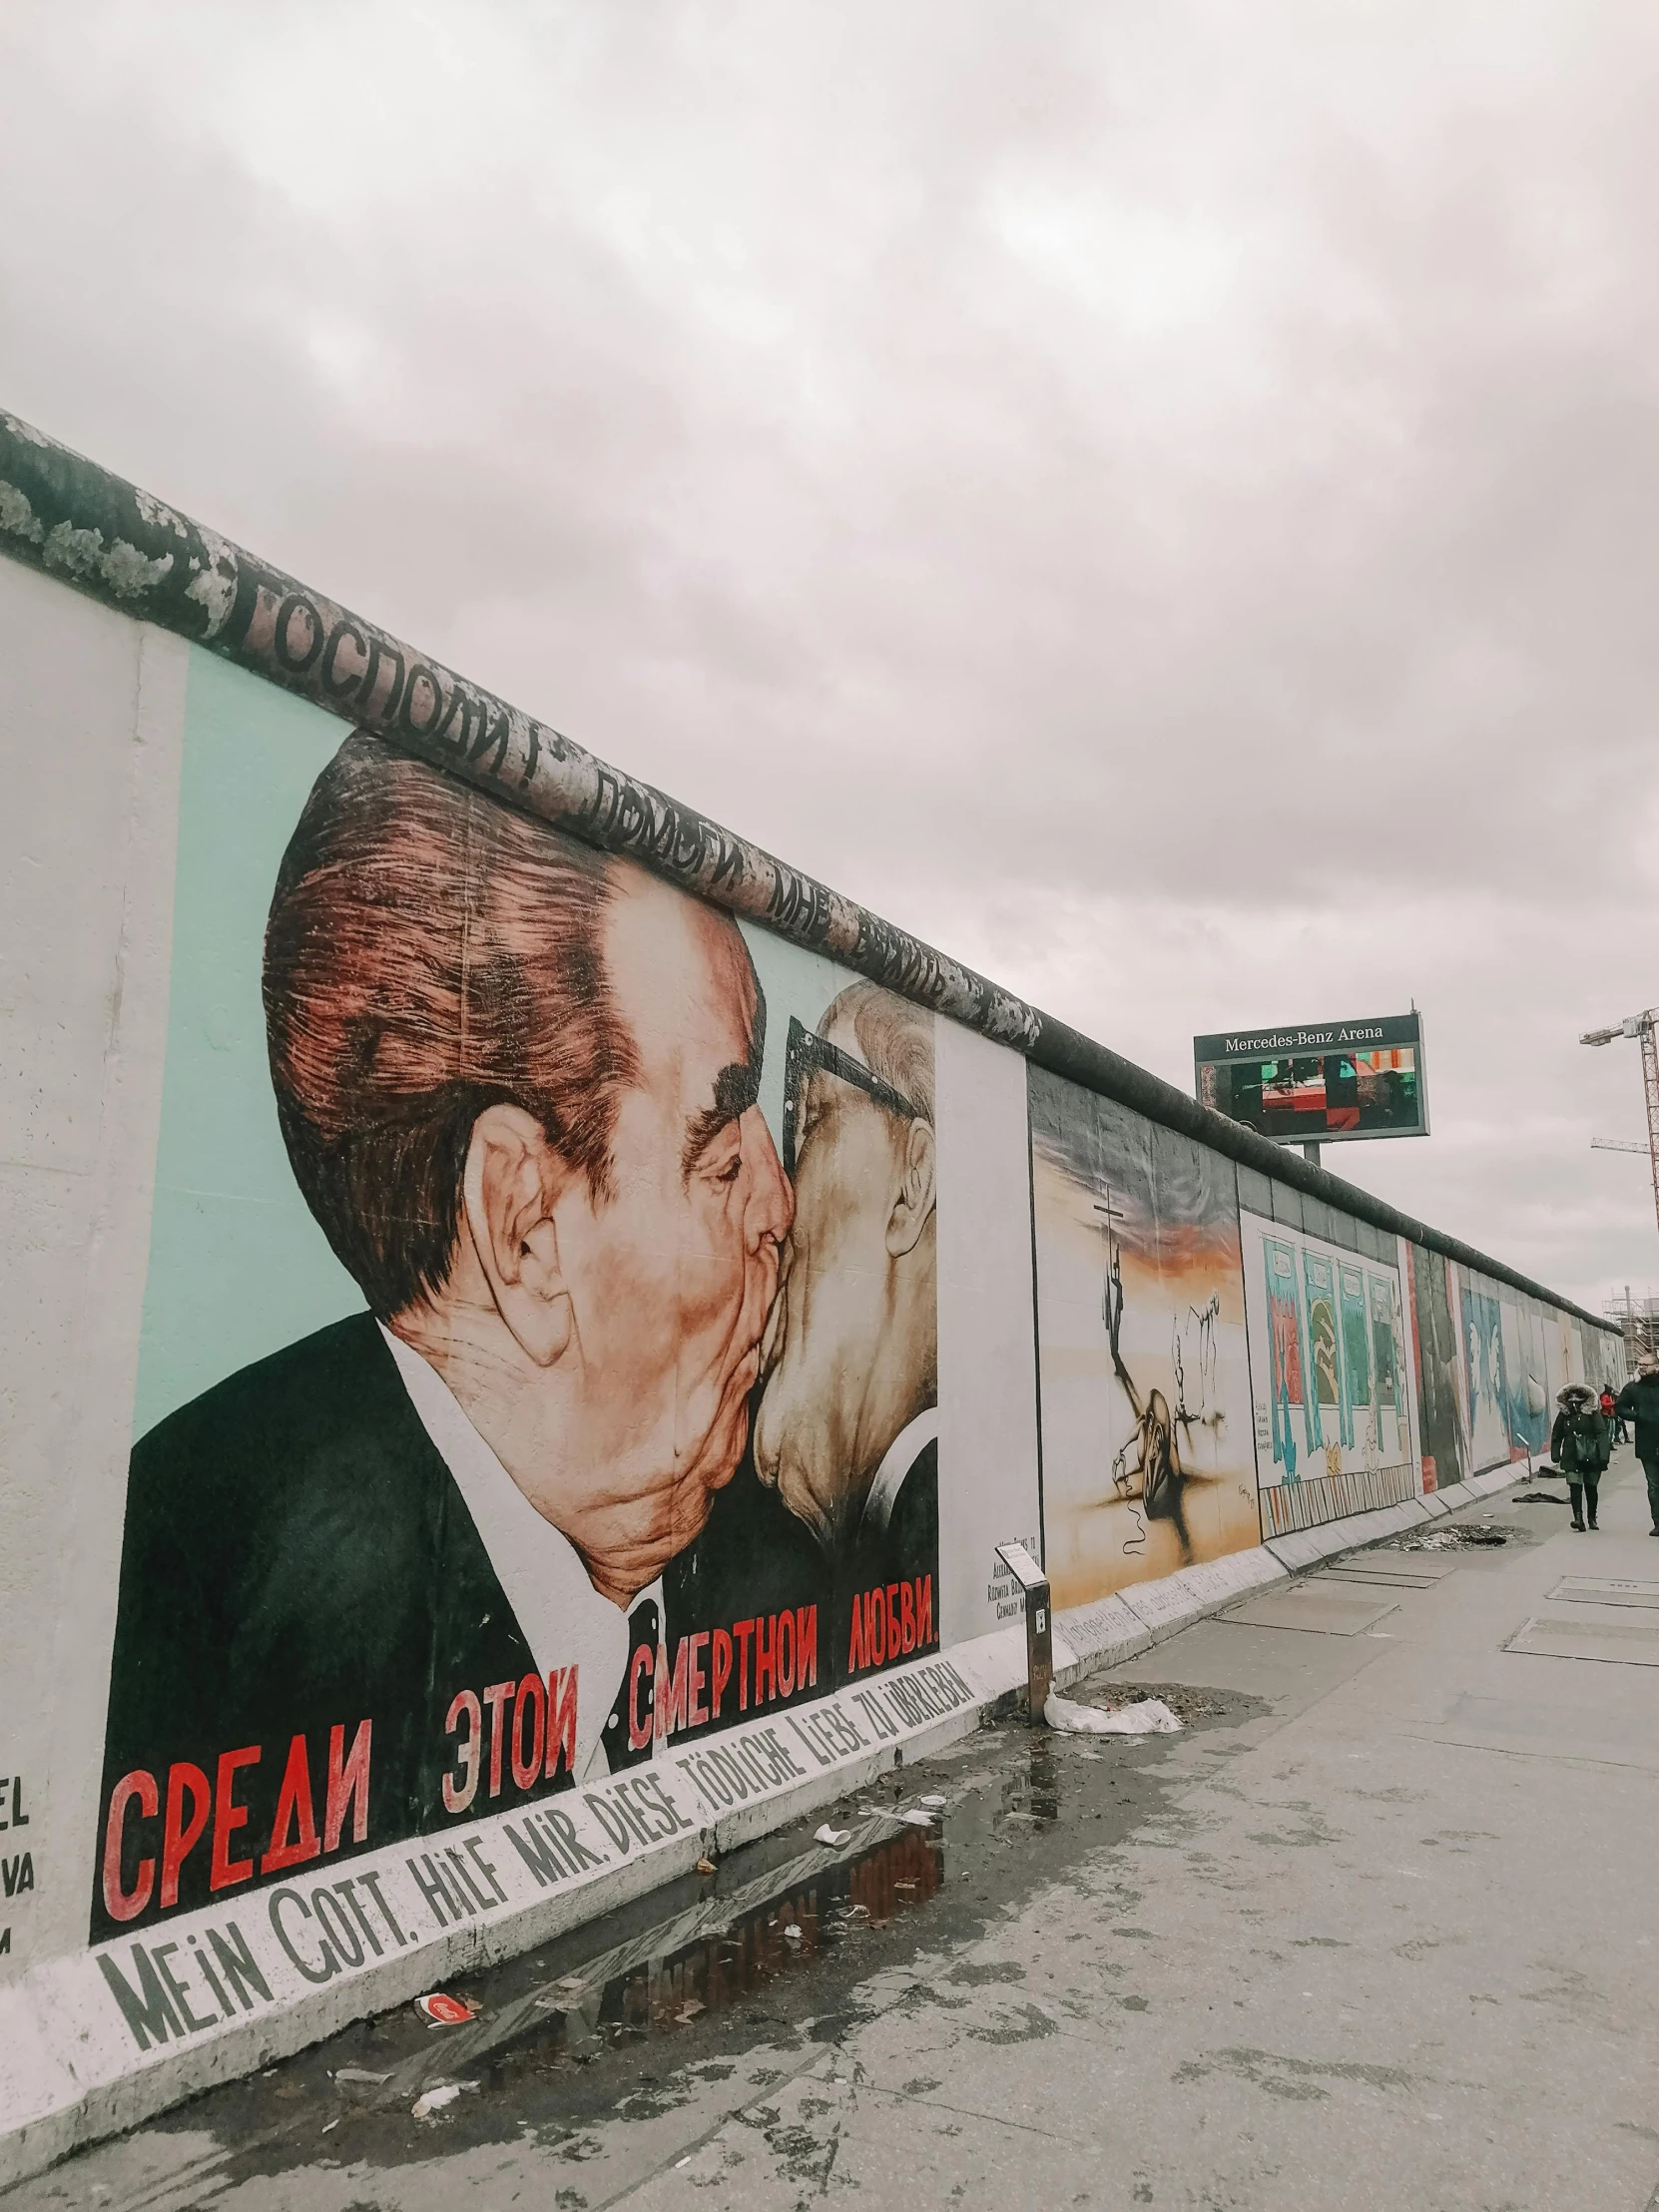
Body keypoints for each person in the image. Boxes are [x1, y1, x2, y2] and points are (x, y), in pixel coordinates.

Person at [94, 733, 793, 1936]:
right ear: (521, 1226)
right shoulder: (193, 1600)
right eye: (721, 1156)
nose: (777, 1206)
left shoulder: (776, 1566)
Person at [751, 983, 938, 1665]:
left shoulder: (929, 1512)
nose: (779, 1192)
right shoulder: (860, 1522)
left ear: (912, 1182)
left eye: (815, 1115)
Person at [1551, 1383, 1610, 1532]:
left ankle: (1592, 1518)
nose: (1574, 1401)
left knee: (1591, 1487)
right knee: (1574, 1485)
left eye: (1578, 1398)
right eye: (1571, 1398)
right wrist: (1555, 1454)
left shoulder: (1593, 1414)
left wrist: (1604, 1455)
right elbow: (1557, 1435)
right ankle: (1578, 1518)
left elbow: (1602, 1433)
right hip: (1571, 1455)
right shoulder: (1564, 1415)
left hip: (1591, 1454)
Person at [1616, 1355, 1659, 1534]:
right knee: (1654, 1485)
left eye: (1645, 1364)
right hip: (1647, 1443)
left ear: (1656, 1367)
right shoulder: (1633, 1388)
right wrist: (1637, 1416)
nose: (1641, 1367)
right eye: (1639, 1364)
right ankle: (1658, 1523)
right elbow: (1620, 1408)